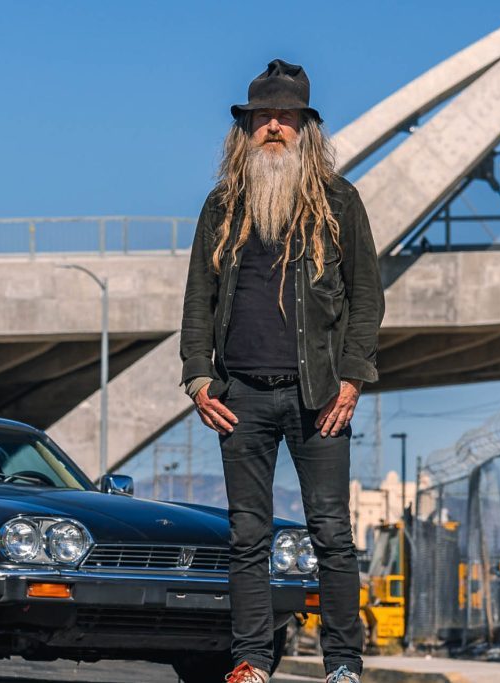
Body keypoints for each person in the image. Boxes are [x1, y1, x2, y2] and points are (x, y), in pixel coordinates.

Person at [180, 59, 384, 683]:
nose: (274, 127)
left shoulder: (340, 202)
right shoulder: (222, 205)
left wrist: (351, 379)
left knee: (330, 533)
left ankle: (343, 665)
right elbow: (198, 299)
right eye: (262, 117)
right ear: (245, 129)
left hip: (319, 397)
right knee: (248, 537)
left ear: (306, 128)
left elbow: (366, 298)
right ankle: (250, 660)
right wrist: (197, 377)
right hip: (239, 395)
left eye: (286, 118)